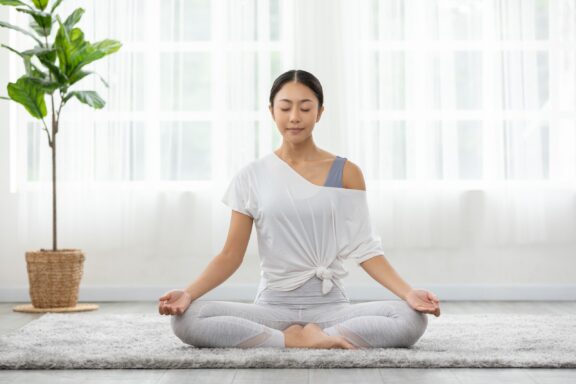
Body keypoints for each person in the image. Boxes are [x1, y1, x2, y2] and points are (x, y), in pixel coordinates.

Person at [158, 69, 441, 350]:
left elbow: (366, 249)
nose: (294, 117)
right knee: (188, 319)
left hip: (331, 309)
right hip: (272, 309)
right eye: (285, 107)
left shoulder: (346, 173)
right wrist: (188, 293)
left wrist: (408, 293)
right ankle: (291, 339)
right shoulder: (252, 176)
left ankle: (306, 337)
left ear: (319, 112)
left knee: (410, 318)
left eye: (305, 108)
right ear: (272, 111)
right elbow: (230, 255)